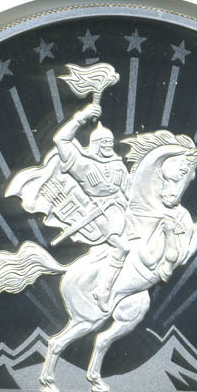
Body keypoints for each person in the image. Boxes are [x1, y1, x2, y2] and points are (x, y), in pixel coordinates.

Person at [53, 103, 131, 312]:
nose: (108, 145)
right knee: (122, 247)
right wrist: (81, 117)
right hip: (100, 214)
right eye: (103, 142)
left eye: (110, 142)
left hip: (122, 210)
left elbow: (131, 191)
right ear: (94, 143)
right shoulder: (82, 164)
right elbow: (60, 140)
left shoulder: (118, 165)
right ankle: (102, 291)